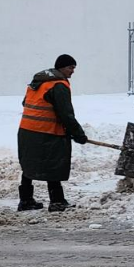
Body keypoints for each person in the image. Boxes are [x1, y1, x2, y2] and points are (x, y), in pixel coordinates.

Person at [17, 55, 88, 212]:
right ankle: (57, 201)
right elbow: (66, 114)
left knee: (29, 164)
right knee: (54, 164)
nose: (72, 71)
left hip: (26, 131)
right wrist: (78, 134)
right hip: (46, 133)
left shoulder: (38, 83)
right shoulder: (59, 85)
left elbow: (26, 103)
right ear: (61, 68)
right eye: (70, 67)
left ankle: (26, 200)